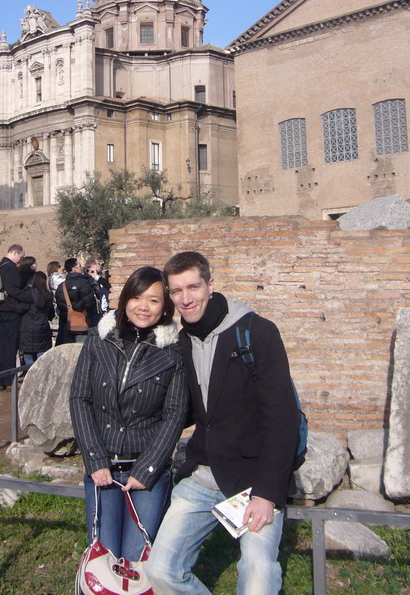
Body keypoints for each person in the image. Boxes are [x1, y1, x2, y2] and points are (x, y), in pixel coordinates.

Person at [145, 251, 300, 595]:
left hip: (252, 479)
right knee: (160, 571)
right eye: (176, 291)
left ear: (210, 285)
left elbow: (282, 418)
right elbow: (181, 410)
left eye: (193, 287)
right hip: (203, 475)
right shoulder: (180, 341)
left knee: (258, 580)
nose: (186, 299)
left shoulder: (256, 332)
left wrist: (266, 494)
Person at [70, 266, 187, 563]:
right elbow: (80, 398)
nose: (143, 307)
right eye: (136, 297)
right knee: (103, 556)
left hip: (147, 468)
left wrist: (148, 468)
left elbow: (175, 414)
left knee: (137, 558)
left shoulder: (173, 352)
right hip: (103, 467)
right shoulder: (100, 340)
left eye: (153, 300)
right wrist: (95, 460)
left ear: (164, 308)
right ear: (124, 300)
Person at [0, 245, 31, 390]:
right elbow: (13, 290)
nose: (21, 260)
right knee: (10, 346)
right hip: (10, 311)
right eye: (21, 256)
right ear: (15, 253)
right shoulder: (11, 268)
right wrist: (30, 297)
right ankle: (8, 380)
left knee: (1, 345)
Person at [18, 270, 54, 369]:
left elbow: (21, 308)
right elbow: (51, 313)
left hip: (28, 327)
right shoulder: (47, 295)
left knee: (28, 355)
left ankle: (30, 374)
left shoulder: (27, 294)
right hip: (43, 327)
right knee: (42, 357)